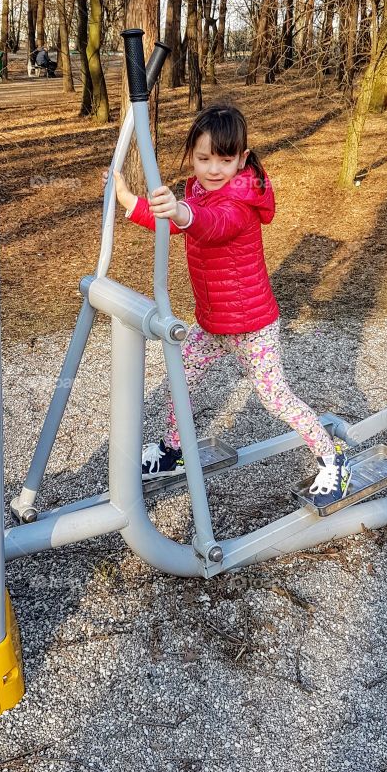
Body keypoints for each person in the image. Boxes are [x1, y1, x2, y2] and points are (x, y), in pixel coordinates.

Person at [107, 101, 352, 505]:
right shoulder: (199, 191)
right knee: (179, 378)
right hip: (212, 323)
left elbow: (212, 225)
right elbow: (176, 221)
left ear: (242, 158)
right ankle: (174, 450)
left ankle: (333, 457)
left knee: (274, 398)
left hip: (252, 326)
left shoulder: (240, 201)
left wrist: (181, 212)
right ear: (192, 156)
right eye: (204, 159)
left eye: (225, 160)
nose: (214, 169)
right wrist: (130, 201)